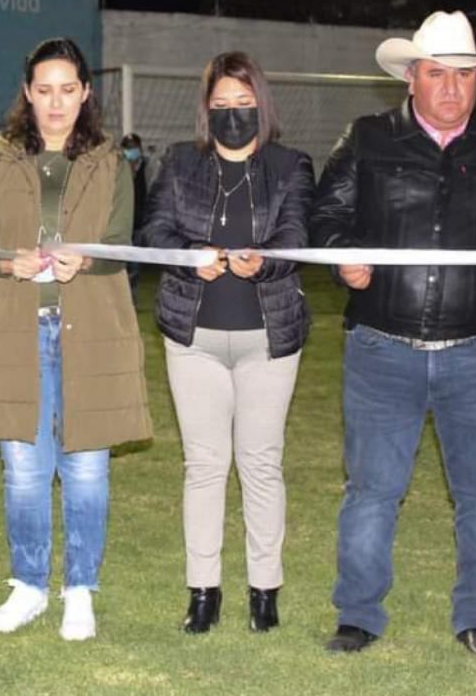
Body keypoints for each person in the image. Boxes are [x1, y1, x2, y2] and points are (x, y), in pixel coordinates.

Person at [309, 10, 476, 657]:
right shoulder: (368, 138)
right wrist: (341, 250)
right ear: (410, 80)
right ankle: (357, 616)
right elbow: (326, 213)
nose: (450, 88)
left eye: (463, 75)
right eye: (436, 75)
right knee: (371, 491)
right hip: (380, 346)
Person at [0, 37, 150, 641]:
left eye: (68, 90)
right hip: (15, 331)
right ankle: (28, 586)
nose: (55, 102)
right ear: (27, 94)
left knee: (87, 469)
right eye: (44, 90)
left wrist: (86, 262)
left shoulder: (110, 162)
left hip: (91, 331)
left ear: (86, 93)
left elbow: (120, 243)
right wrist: (4, 263)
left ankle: (80, 591)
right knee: (23, 471)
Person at [139, 52, 314, 634]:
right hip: (193, 339)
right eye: (221, 106)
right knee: (205, 466)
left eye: (244, 105)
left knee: (262, 466)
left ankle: (265, 591)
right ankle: (203, 592)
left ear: (262, 106)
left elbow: (294, 237)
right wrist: (190, 259)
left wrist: (262, 264)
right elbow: (155, 231)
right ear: (205, 110)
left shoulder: (292, 166)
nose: (233, 115)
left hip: (270, 338)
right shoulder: (179, 163)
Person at [121, 132, 148, 299]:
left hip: (138, 221)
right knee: (121, 262)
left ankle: (132, 296)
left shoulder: (145, 167)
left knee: (135, 263)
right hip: (122, 222)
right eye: (128, 148)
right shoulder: (117, 167)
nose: (131, 151)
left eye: (134, 147)